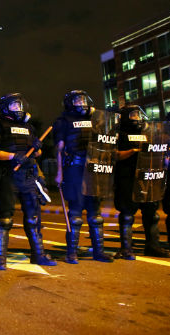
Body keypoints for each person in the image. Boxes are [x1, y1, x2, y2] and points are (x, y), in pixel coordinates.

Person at [0, 93, 55, 269]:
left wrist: (38, 149)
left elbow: (37, 154)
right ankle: (0, 259)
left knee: (33, 218)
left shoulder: (29, 127)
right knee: (5, 219)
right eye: (14, 106)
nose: (19, 109)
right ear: (6, 107)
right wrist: (13, 156)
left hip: (28, 176)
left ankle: (38, 255)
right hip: (7, 176)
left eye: (20, 105)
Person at [53, 90, 114, 264]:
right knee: (75, 214)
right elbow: (59, 149)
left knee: (96, 214)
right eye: (77, 100)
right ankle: (71, 253)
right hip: (74, 169)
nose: (81, 102)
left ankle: (99, 252)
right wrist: (59, 172)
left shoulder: (98, 119)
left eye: (83, 99)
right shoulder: (63, 121)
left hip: (95, 169)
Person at [113, 105, 170, 259]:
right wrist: (133, 151)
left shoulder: (148, 132)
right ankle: (126, 249)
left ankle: (153, 246)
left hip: (147, 178)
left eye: (139, 114)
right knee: (127, 214)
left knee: (151, 213)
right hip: (127, 178)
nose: (138, 118)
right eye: (133, 115)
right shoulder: (118, 134)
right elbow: (113, 155)